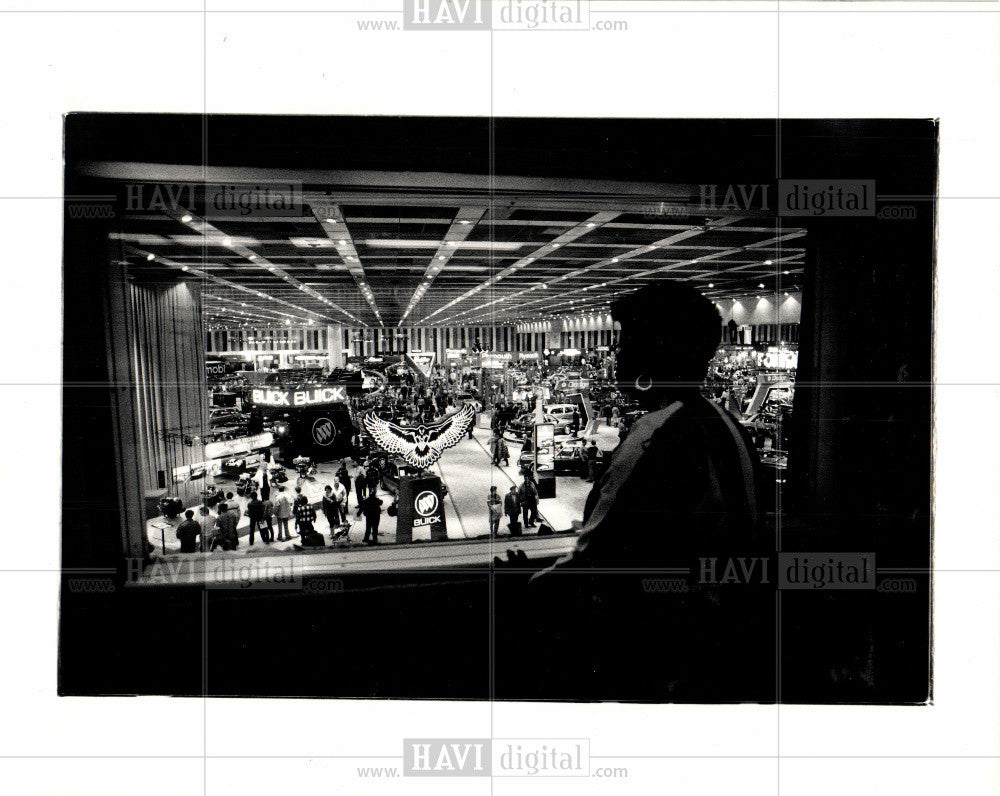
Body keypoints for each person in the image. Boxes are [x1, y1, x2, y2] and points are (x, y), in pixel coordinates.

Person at [499, 280, 767, 702]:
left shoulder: (657, 435)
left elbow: (592, 564)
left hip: (661, 661)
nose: (616, 355)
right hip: (722, 649)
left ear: (656, 347)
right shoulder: (728, 424)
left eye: (626, 342)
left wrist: (524, 583)